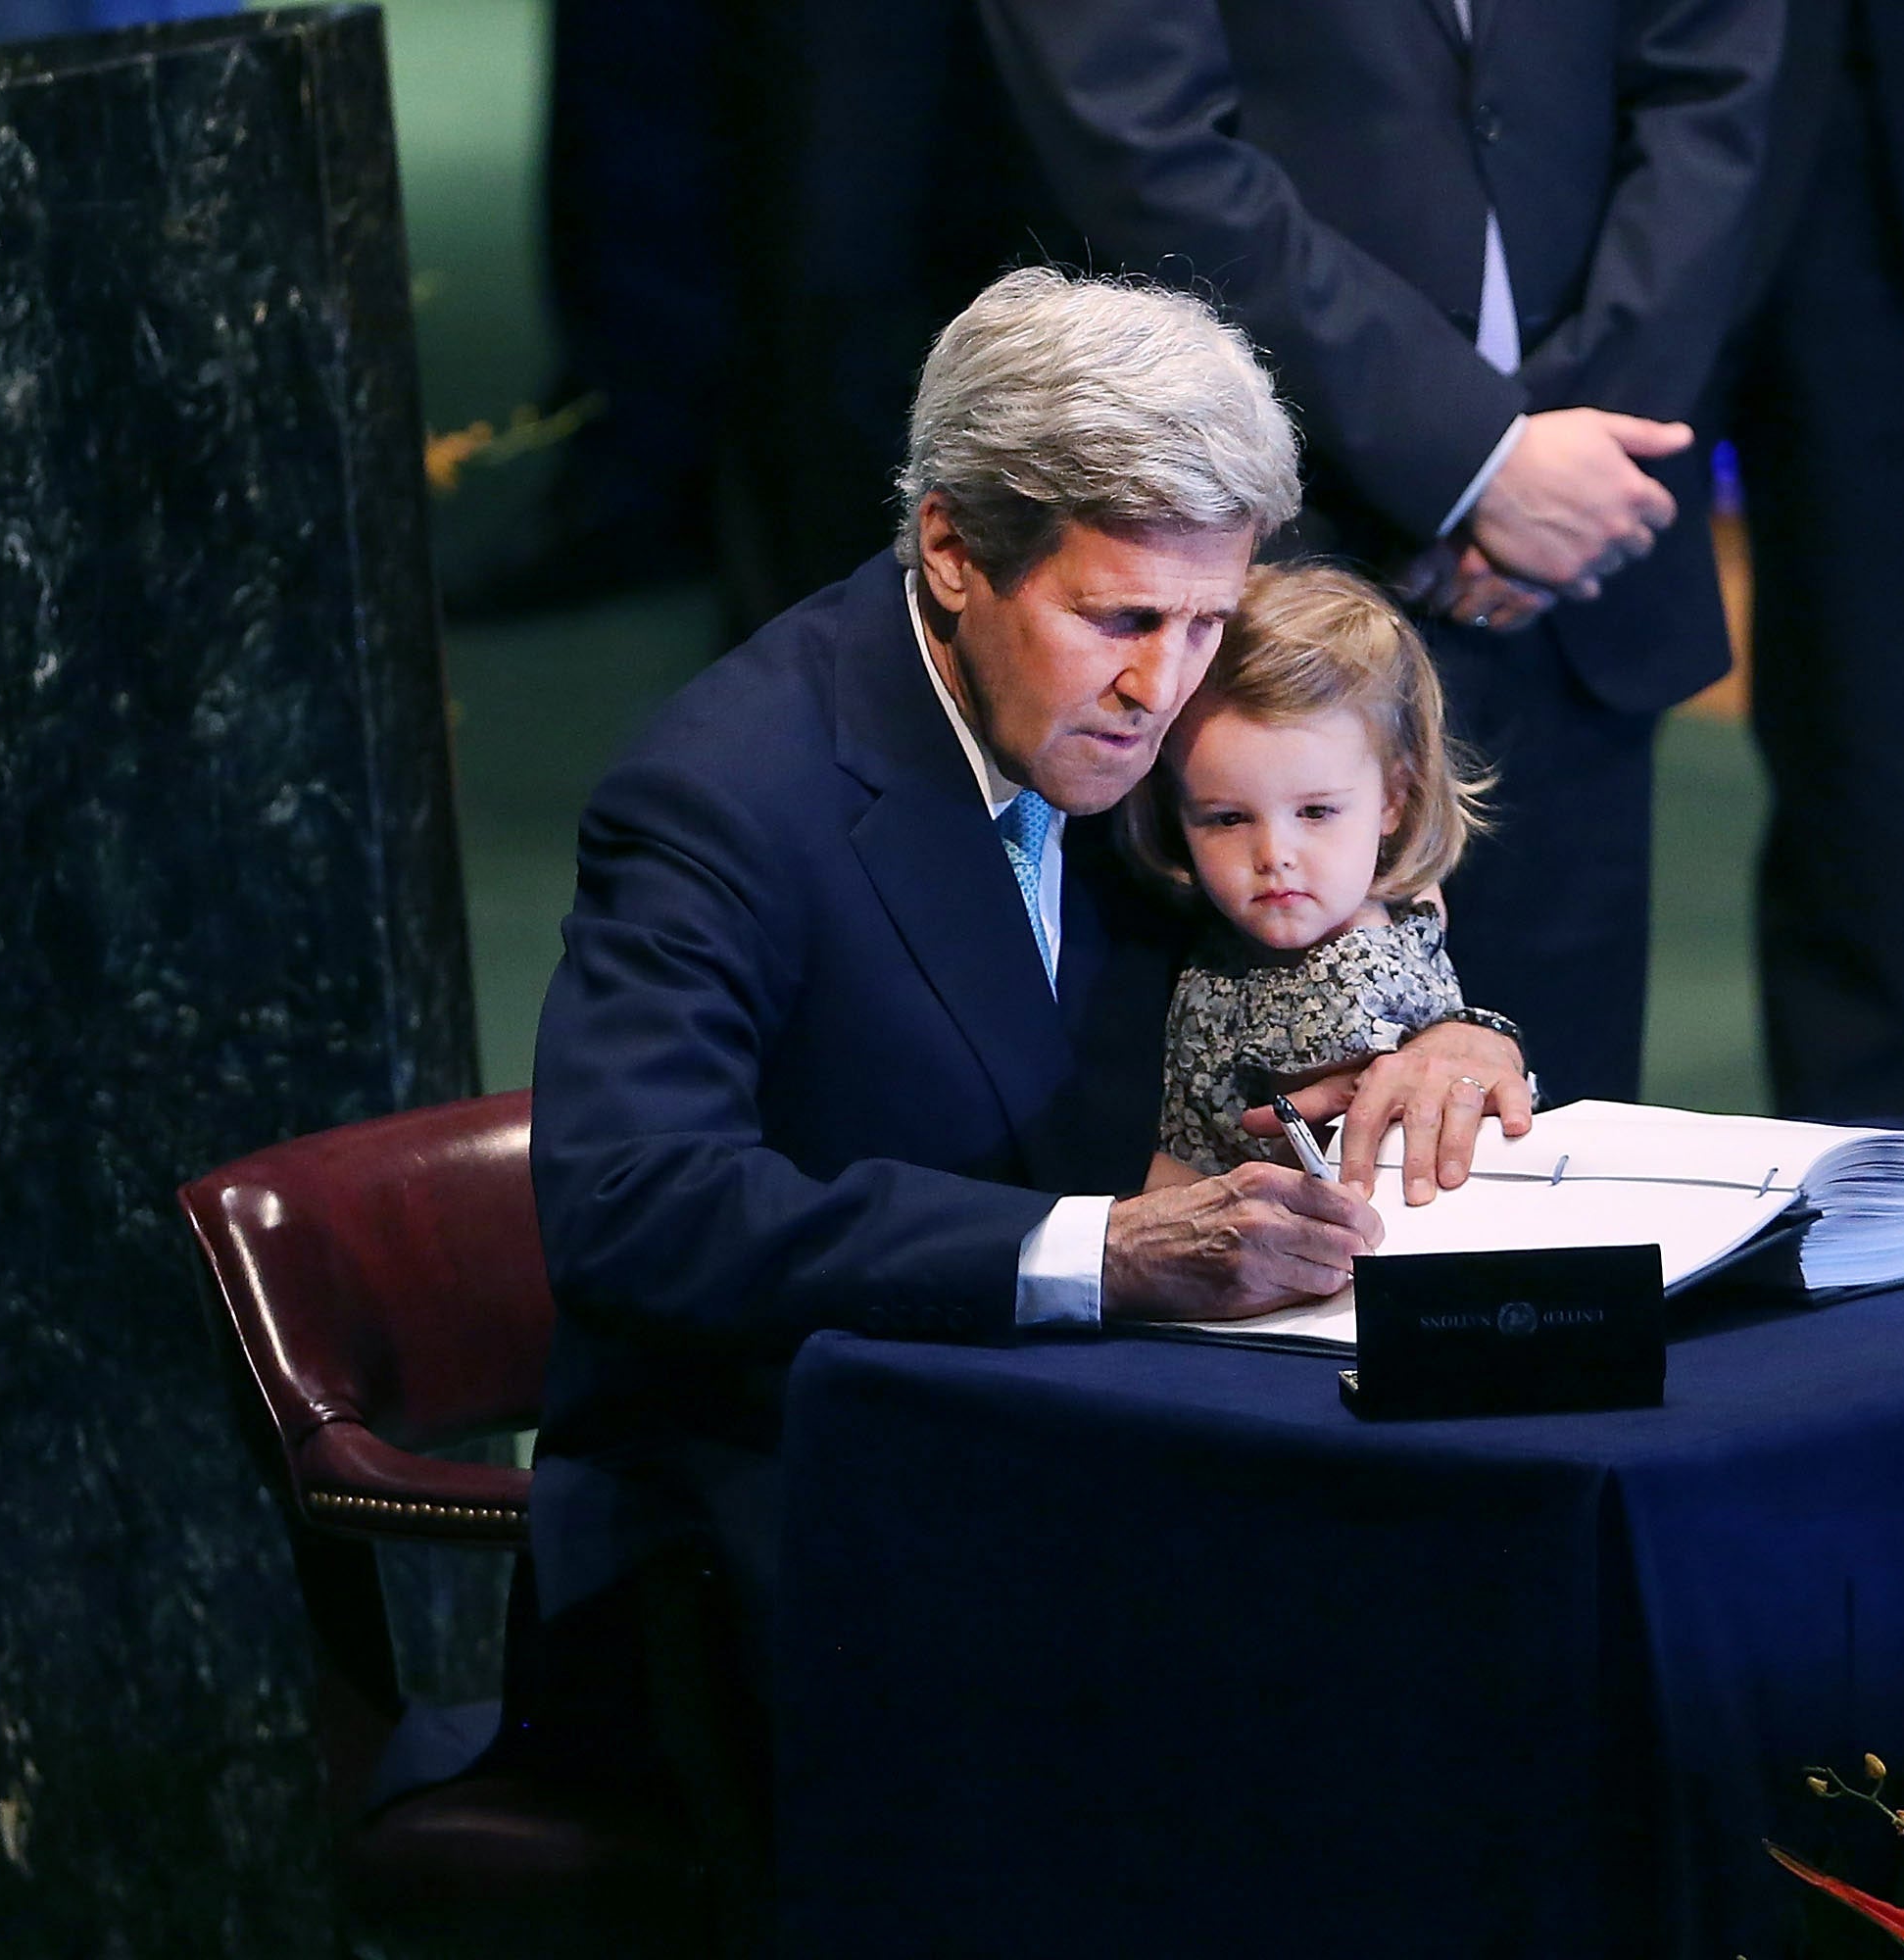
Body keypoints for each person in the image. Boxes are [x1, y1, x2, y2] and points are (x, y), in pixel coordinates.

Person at [516, 272, 1533, 1862]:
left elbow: (1295, 906)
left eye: (1206, 623)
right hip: (779, 1514)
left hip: (1085, 1446)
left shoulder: (1150, 704)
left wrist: (1448, 1038)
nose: (1166, 685)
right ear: (949, 552)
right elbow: (634, 1207)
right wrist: (1098, 1252)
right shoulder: (725, 795)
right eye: (1121, 620)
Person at [974, 0, 1781, 1107]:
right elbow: (1139, 133)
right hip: (1259, 556)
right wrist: (1479, 457)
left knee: (1568, 1184)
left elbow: (1713, 89)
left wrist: (1571, 468)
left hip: (1588, 559)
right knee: (1245, 1183)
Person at [1713, 0, 1904, 1125]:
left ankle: (1882, 1204)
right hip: (1562, 91)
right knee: (1526, 658)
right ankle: (1487, 1171)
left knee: (1899, 725)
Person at [1120, 565, 1504, 1190]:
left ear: (1394, 799)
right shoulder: (1405, 902)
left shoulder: (1340, 995)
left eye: (1316, 812)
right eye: (1227, 818)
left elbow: (1316, 1190)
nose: (1274, 854)